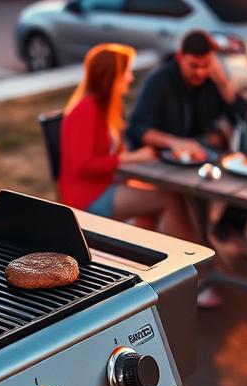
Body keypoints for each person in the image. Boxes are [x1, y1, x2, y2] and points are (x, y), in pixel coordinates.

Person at [126, 30, 247, 263]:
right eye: (194, 66)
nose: (200, 72)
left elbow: (241, 113)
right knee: (193, 208)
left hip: (207, 159)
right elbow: (137, 129)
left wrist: (222, 80)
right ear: (180, 57)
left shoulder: (211, 79)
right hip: (166, 165)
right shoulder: (159, 82)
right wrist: (174, 141)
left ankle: (232, 227)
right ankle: (201, 266)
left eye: (206, 65)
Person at [58, 43, 197, 244]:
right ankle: (199, 267)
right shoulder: (86, 110)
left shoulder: (107, 107)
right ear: (111, 75)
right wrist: (130, 158)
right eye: (127, 72)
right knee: (168, 198)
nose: (130, 77)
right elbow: (82, 165)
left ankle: (139, 259)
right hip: (86, 196)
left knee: (156, 199)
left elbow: (109, 152)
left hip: (106, 185)